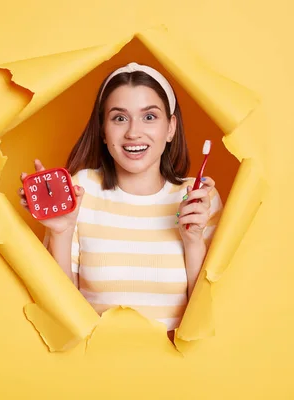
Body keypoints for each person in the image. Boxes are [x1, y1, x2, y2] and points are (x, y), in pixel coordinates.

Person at [18, 62, 222, 335]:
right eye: (119, 118)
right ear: (103, 130)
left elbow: (209, 316)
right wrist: (61, 233)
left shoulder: (198, 198)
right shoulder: (81, 189)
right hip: (93, 366)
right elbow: (60, 314)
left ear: (171, 128)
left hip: (177, 369)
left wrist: (193, 242)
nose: (133, 133)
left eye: (149, 117)